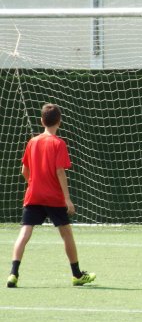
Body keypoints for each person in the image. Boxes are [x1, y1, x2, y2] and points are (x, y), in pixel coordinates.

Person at [7, 104, 96, 288]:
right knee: (67, 234)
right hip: (53, 198)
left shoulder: (32, 142)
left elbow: (24, 170)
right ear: (59, 122)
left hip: (34, 195)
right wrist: (67, 199)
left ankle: (13, 274)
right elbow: (60, 172)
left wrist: (33, 184)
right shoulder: (58, 143)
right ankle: (77, 275)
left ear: (41, 121)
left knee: (24, 233)